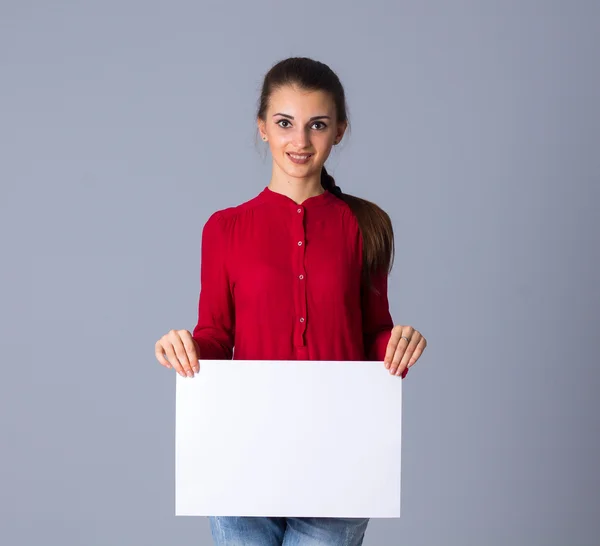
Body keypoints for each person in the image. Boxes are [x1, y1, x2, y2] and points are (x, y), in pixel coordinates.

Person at [155, 56, 427, 546]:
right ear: (262, 127)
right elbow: (216, 334)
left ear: (340, 131)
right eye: (285, 123)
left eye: (317, 125)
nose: (299, 142)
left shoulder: (367, 226)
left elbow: (373, 333)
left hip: (340, 454)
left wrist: (399, 343)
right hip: (241, 450)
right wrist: (185, 348)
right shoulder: (225, 228)